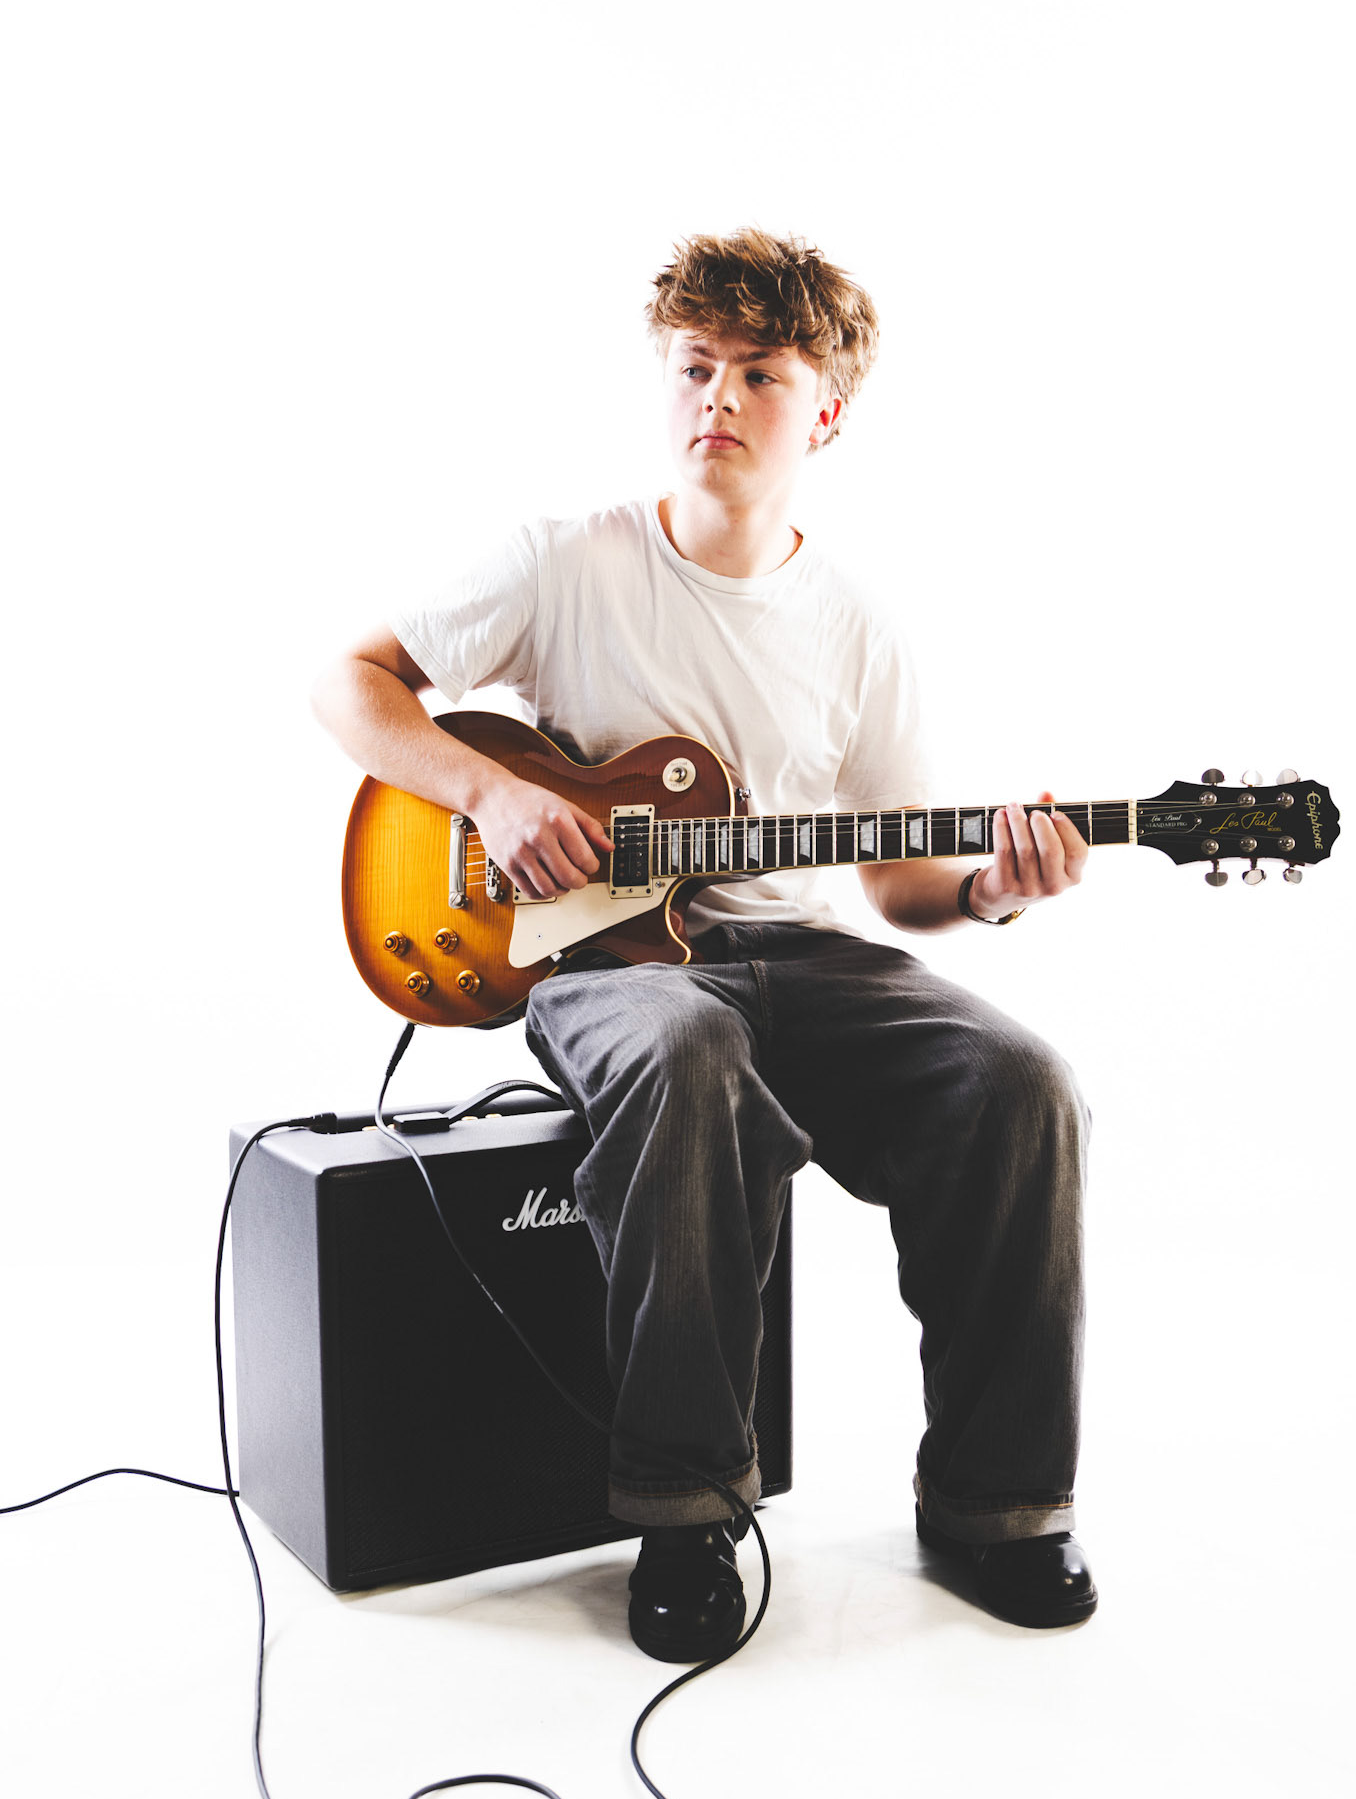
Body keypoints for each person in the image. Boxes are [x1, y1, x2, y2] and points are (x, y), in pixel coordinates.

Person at [312, 229, 1096, 1661]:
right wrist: (490, 791)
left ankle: (998, 1504)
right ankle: (686, 1510)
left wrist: (994, 889)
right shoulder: (561, 561)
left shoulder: (856, 625)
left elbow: (903, 886)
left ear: (827, 412)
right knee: (685, 1042)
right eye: (694, 365)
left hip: (805, 959)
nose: (716, 396)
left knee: (1021, 1083)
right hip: (606, 966)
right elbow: (349, 684)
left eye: (759, 373)